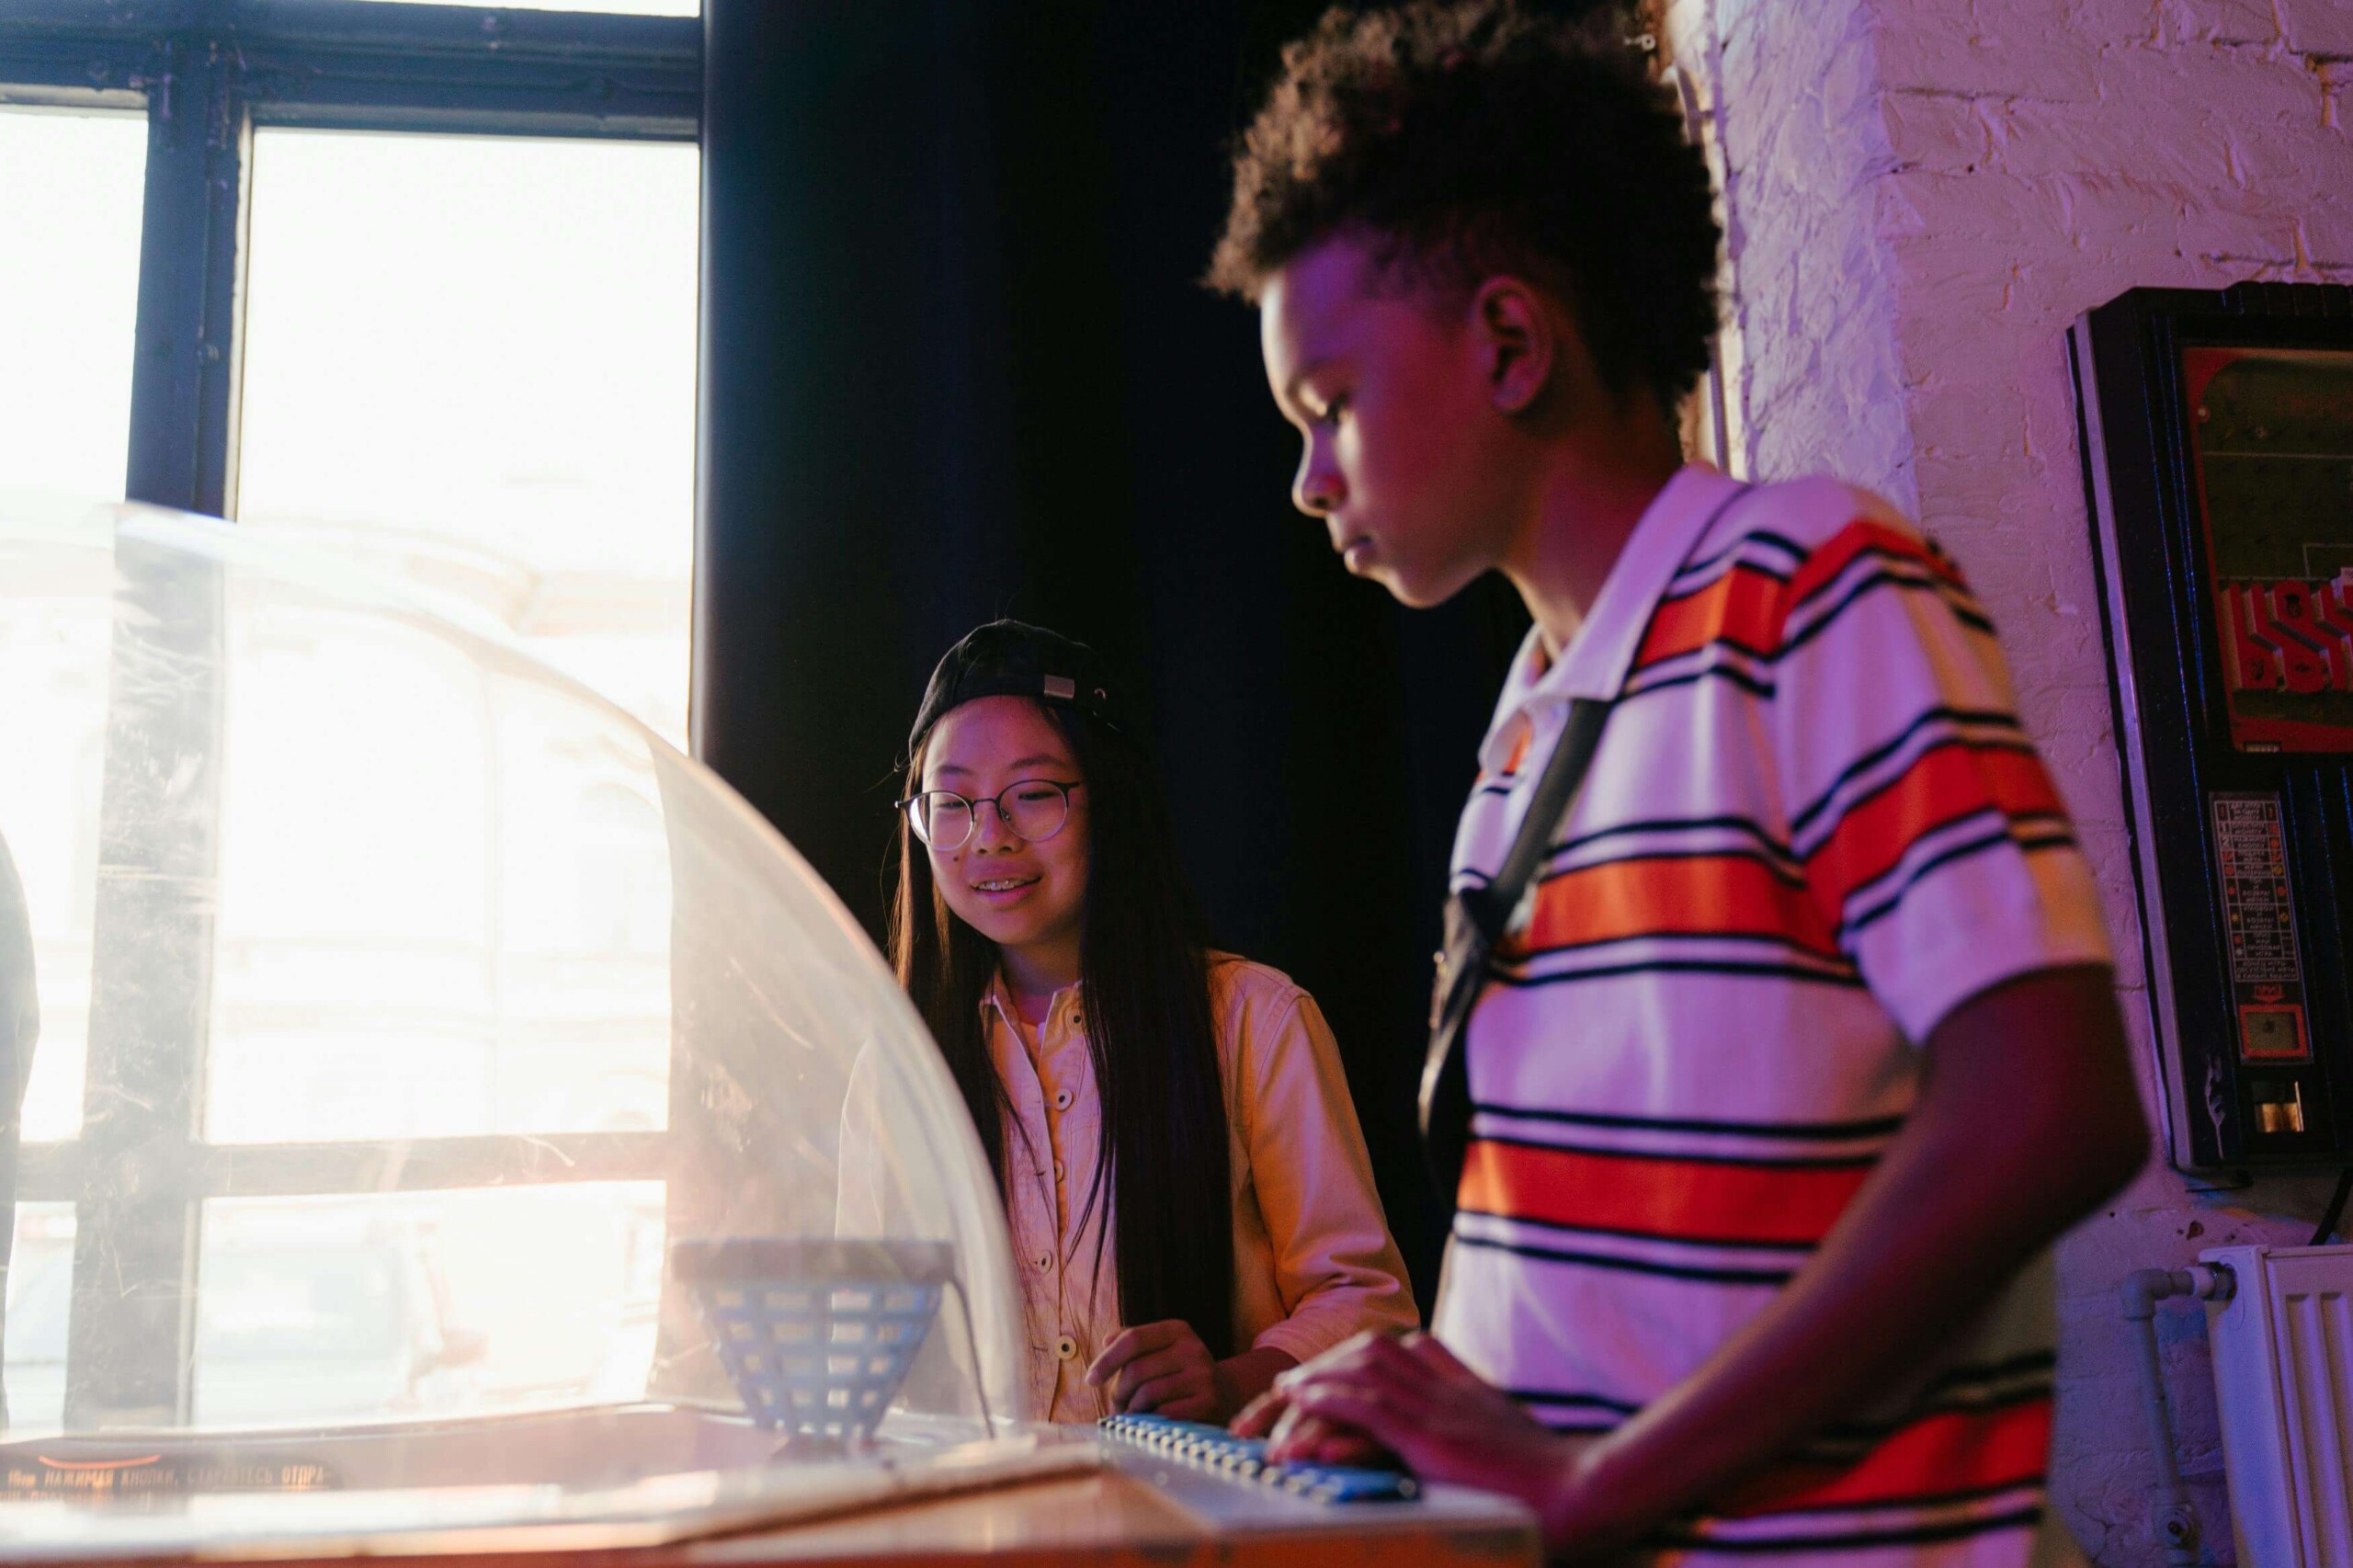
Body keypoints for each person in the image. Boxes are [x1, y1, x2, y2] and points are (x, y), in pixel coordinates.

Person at [1208, 5, 2148, 1563]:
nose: (1310, 481)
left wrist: (1603, 1486)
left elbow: (2051, 1102)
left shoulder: (1811, 581)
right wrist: (1447, 1386)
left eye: (1331, 407)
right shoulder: (1531, 720)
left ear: (1511, 344)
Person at [847, 619, 1415, 1425]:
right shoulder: (896, 1068)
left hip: (1203, 1524)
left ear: (1109, 800)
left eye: (1034, 794)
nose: (989, 838)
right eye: (952, 803)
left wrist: (1232, 1382)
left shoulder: (1253, 1020)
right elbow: (862, 1340)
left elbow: (1370, 1305)